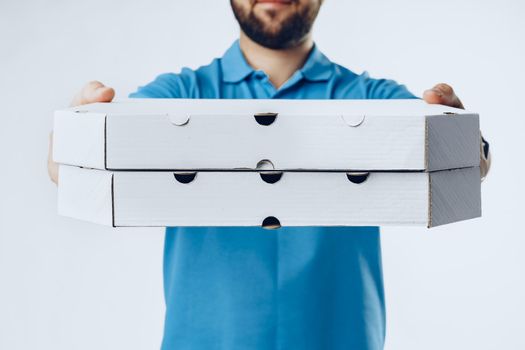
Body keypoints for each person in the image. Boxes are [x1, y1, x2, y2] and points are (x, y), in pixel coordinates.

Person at [47, 0, 491, 349]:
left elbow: (465, 153)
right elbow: (72, 161)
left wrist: (469, 143)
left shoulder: (369, 97)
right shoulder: (182, 94)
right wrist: (76, 130)